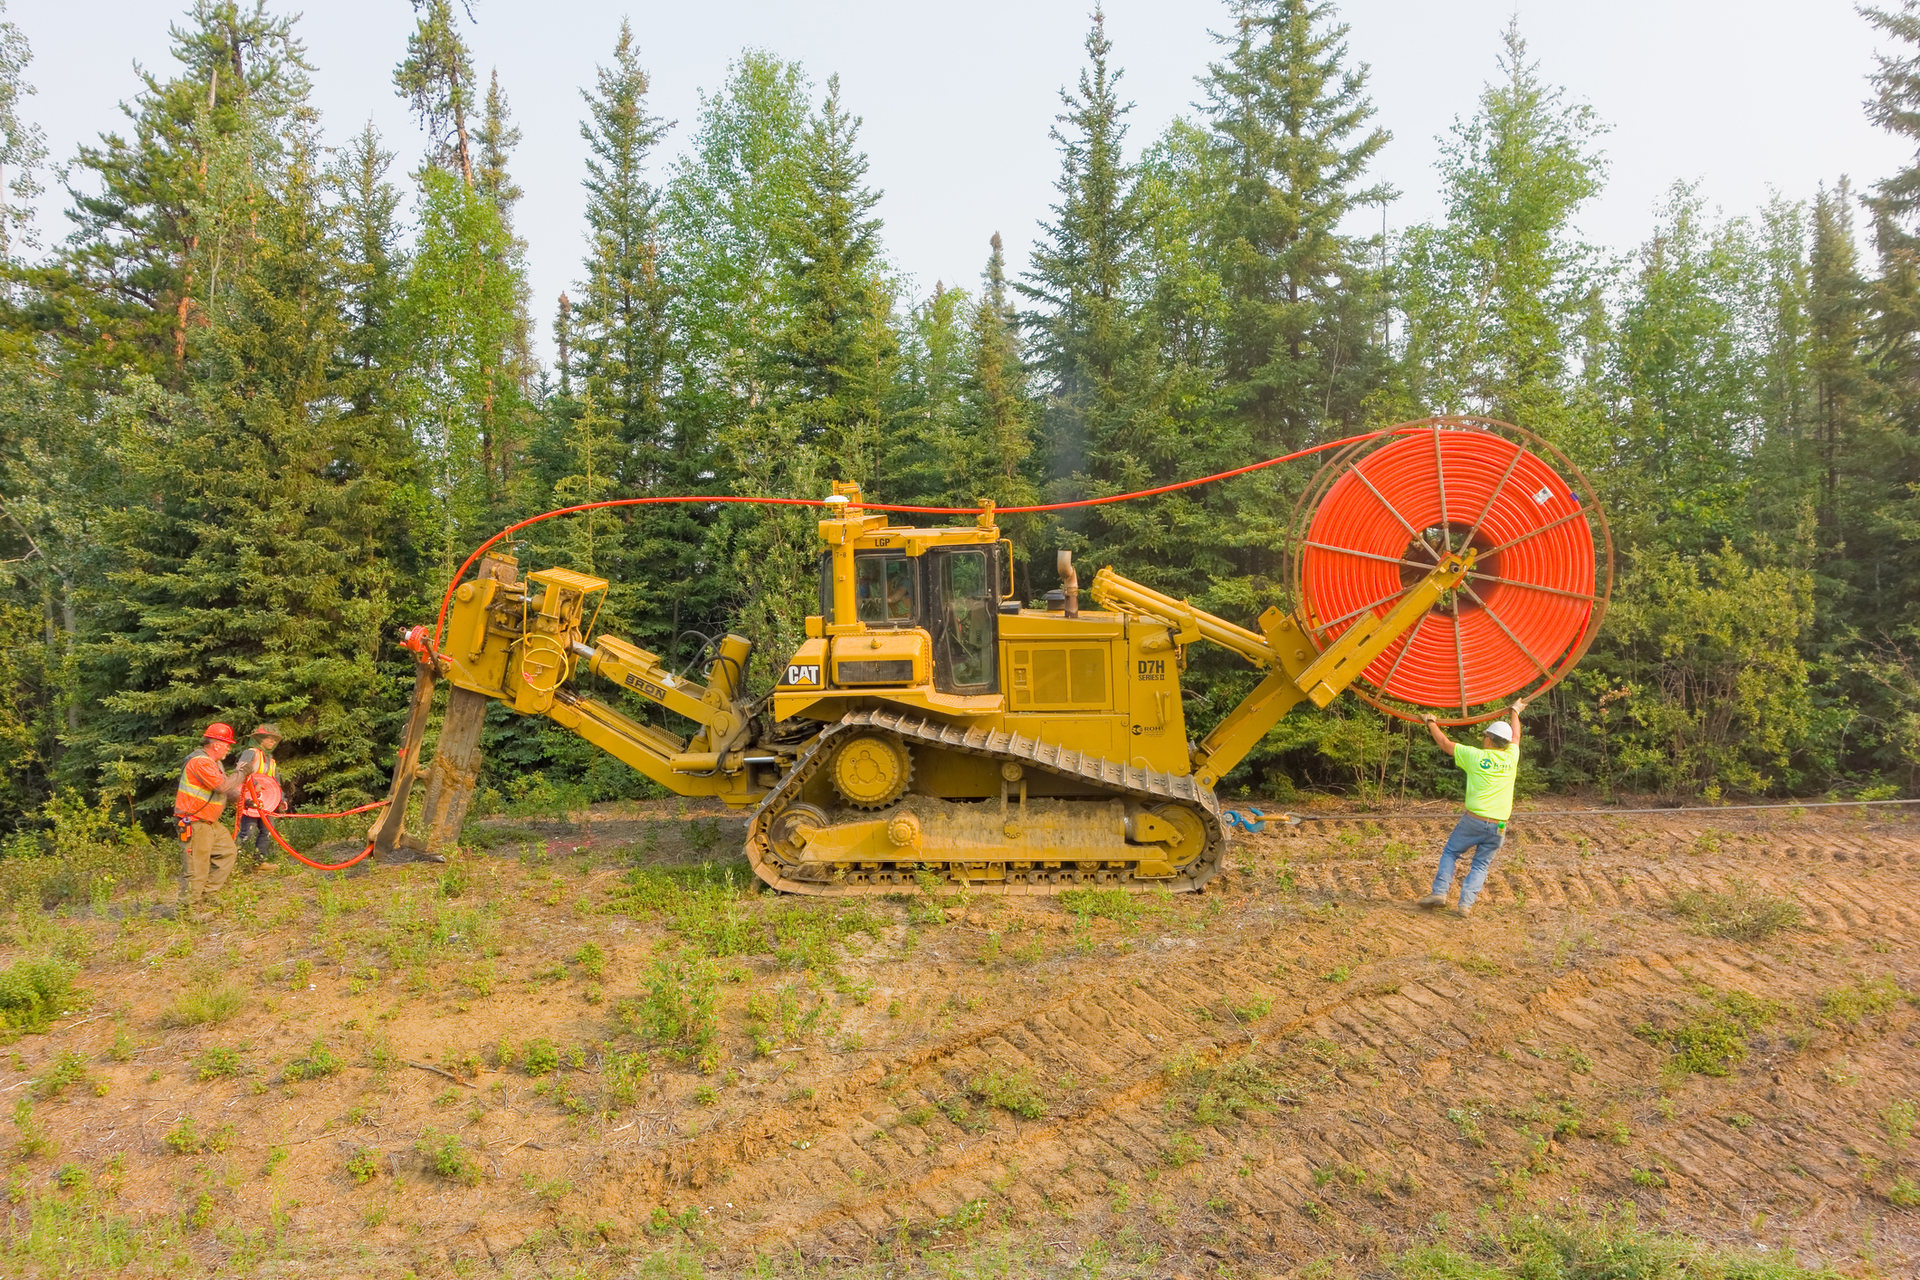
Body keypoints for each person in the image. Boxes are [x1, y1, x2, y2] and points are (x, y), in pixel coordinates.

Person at [1416, 699, 1526, 919]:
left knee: (1450, 852)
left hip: (1473, 821)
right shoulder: (1511, 757)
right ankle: (1465, 906)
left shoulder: (1475, 756)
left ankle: (1439, 893)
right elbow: (1516, 736)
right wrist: (1515, 711)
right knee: (1481, 864)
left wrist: (1430, 722)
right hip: (1499, 825)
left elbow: (1446, 744)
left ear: (1488, 739)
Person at [174, 723, 245, 921]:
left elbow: (226, 791)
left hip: (209, 822)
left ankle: (207, 894)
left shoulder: (213, 765)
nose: (229, 748)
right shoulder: (201, 763)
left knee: (227, 852)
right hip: (194, 822)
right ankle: (187, 912)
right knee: (197, 868)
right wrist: (242, 773)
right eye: (227, 744)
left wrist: (246, 800)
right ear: (216, 744)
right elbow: (222, 786)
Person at [234, 723, 286, 865]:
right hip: (249, 800)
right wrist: (255, 785)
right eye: (269, 738)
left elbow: (276, 782)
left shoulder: (271, 760)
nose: (273, 742)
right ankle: (237, 862)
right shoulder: (250, 753)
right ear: (260, 738)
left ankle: (259, 862)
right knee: (247, 832)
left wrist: (282, 798)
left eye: (275, 740)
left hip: (268, 801)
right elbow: (240, 772)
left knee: (267, 831)